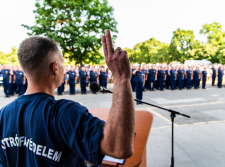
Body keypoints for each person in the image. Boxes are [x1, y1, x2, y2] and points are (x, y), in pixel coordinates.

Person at [0, 31, 135, 167]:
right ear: (55, 68)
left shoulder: (3, 115)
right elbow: (119, 148)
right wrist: (121, 78)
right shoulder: (64, 113)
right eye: (62, 63)